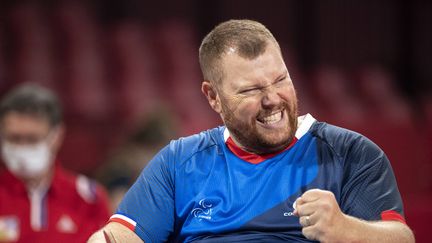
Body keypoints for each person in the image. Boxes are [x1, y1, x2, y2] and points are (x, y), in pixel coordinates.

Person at [88, 19, 414, 242]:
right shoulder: (178, 162)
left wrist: (346, 229)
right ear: (212, 97)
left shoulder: (351, 154)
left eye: (280, 79)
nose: (273, 99)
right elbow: (121, 235)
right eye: (251, 91)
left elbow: (402, 238)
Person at [0, 83, 110, 242]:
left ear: (56, 136)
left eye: (32, 139)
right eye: (14, 138)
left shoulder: (89, 199)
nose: (22, 147)